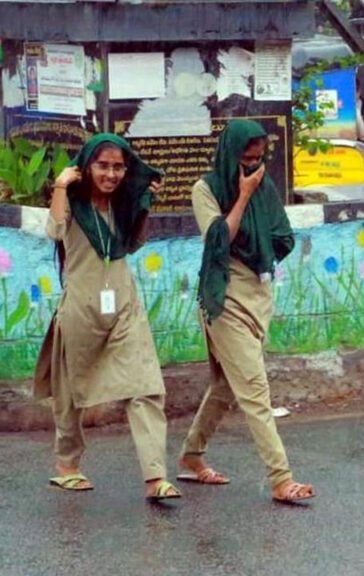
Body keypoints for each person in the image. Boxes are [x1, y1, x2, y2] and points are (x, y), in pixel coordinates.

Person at [34, 133, 181, 501]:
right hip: (81, 310)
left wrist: (145, 202)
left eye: (118, 167)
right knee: (70, 393)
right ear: (86, 167)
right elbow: (54, 230)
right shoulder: (74, 204)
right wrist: (60, 186)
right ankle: (67, 466)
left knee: (145, 385)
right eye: (103, 165)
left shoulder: (122, 204)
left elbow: (133, 244)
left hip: (124, 307)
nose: (111, 174)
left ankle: (155, 477)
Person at [177, 120, 315, 504]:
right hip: (223, 298)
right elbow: (218, 239)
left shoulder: (264, 186)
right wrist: (242, 197)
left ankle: (191, 456)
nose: (252, 167)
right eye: (245, 160)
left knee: (225, 387)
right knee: (255, 390)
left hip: (258, 295)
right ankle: (281, 479)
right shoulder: (205, 189)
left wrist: (259, 239)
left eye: (257, 159)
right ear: (229, 155)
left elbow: (282, 237)